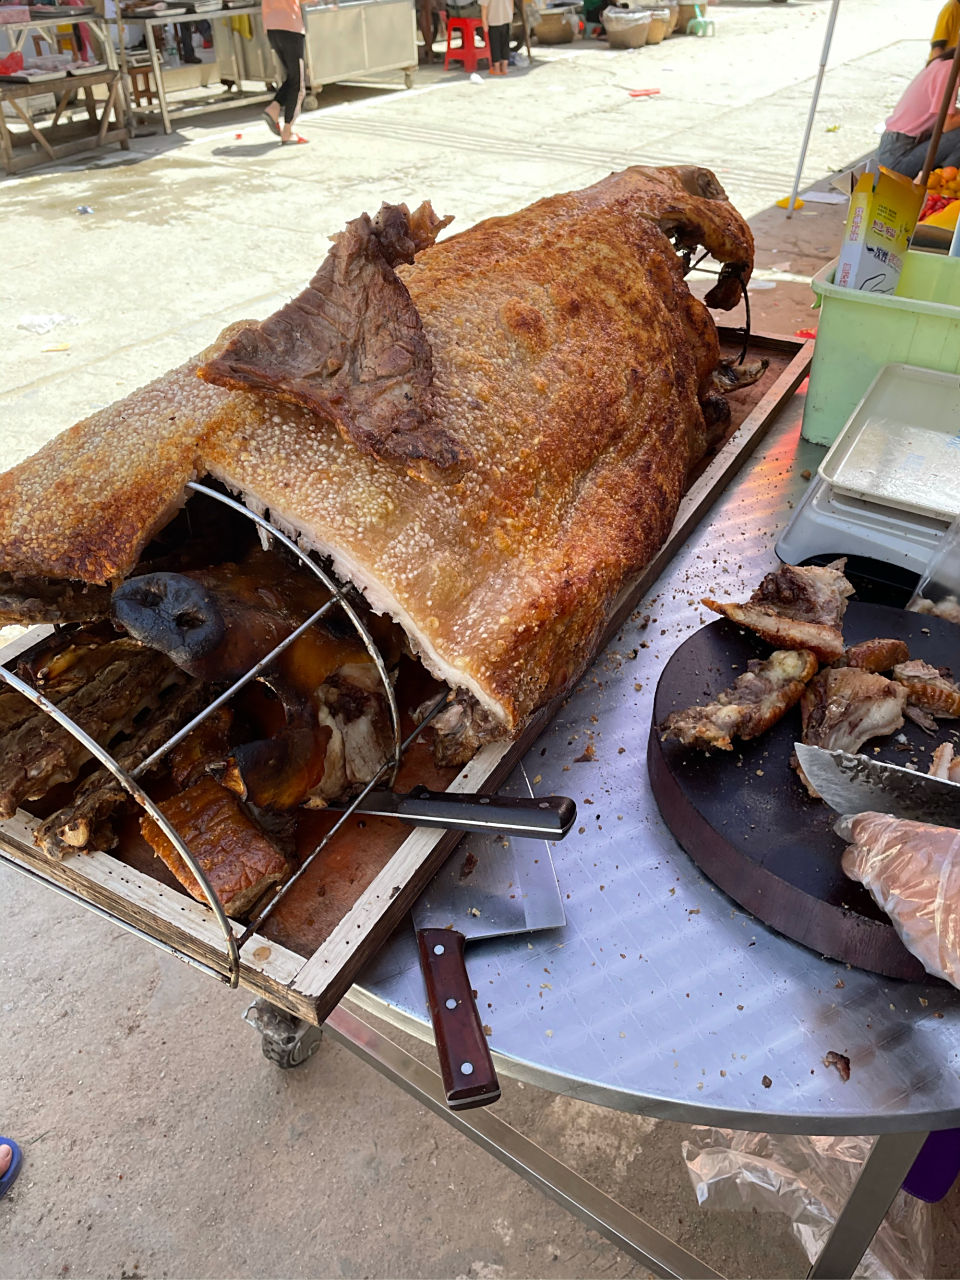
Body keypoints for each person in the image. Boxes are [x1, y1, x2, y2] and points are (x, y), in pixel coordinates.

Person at [877, 46, 960, 180]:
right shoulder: (950, 70)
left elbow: (947, 113)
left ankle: (946, 185)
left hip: (900, 146)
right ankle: (948, 185)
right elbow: (948, 124)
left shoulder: (944, 63)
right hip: (898, 155)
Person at [261, 0, 308, 145]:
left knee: (293, 76)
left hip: (272, 27)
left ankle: (274, 108)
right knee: (298, 82)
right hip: (290, 26)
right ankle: (287, 130)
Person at [481, 0, 511, 76]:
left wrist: (484, 20)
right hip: (506, 18)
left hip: (493, 19)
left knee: (495, 44)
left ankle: (497, 69)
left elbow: (484, 5)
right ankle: (504, 68)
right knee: (505, 43)